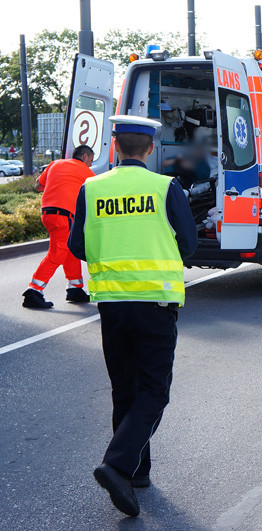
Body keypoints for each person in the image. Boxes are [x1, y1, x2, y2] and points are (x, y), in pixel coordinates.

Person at [68, 116, 197, 517]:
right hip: (154, 305)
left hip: (111, 305)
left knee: (125, 390)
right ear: (150, 149)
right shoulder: (164, 187)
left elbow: (77, 246)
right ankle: (118, 464)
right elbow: (189, 244)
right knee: (154, 392)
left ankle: (136, 474)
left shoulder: (91, 187)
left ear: (116, 147)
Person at [22, 145, 95, 309]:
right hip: (64, 216)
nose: (90, 165)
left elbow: (37, 186)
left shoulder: (55, 164)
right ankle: (34, 292)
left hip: (48, 214)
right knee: (58, 252)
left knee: (69, 250)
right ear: (84, 157)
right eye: (90, 160)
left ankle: (75, 289)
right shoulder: (87, 172)